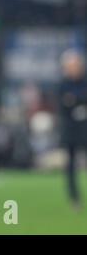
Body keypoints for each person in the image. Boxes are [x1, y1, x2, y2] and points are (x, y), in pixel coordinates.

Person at [58, 49, 87, 212]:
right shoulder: (63, 85)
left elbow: (72, 101)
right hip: (70, 130)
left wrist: (75, 100)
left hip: (84, 128)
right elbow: (64, 105)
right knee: (70, 166)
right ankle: (74, 199)